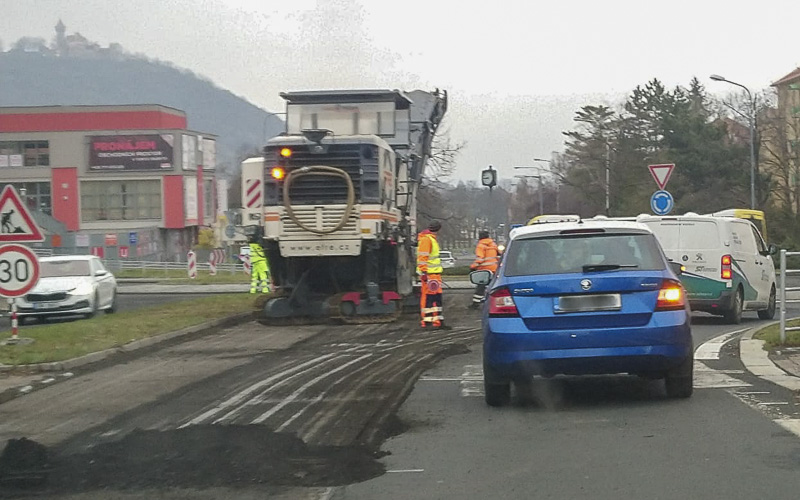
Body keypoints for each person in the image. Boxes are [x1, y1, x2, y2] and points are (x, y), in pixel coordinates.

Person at [417, 220, 448, 329]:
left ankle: (436, 321)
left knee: (435, 298)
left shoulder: (429, 239)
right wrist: (424, 272)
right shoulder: (427, 240)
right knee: (430, 299)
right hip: (431, 275)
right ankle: (429, 322)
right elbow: (422, 258)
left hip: (433, 275)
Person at [469, 229, 499, 309]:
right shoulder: (493, 244)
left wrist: (472, 267)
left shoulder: (480, 245)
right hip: (494, 269)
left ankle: (476, 303)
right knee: (493, 286)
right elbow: (499, 255)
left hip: (484, 270)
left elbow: (480, 258)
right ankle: (494, 302)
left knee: (480, 287)